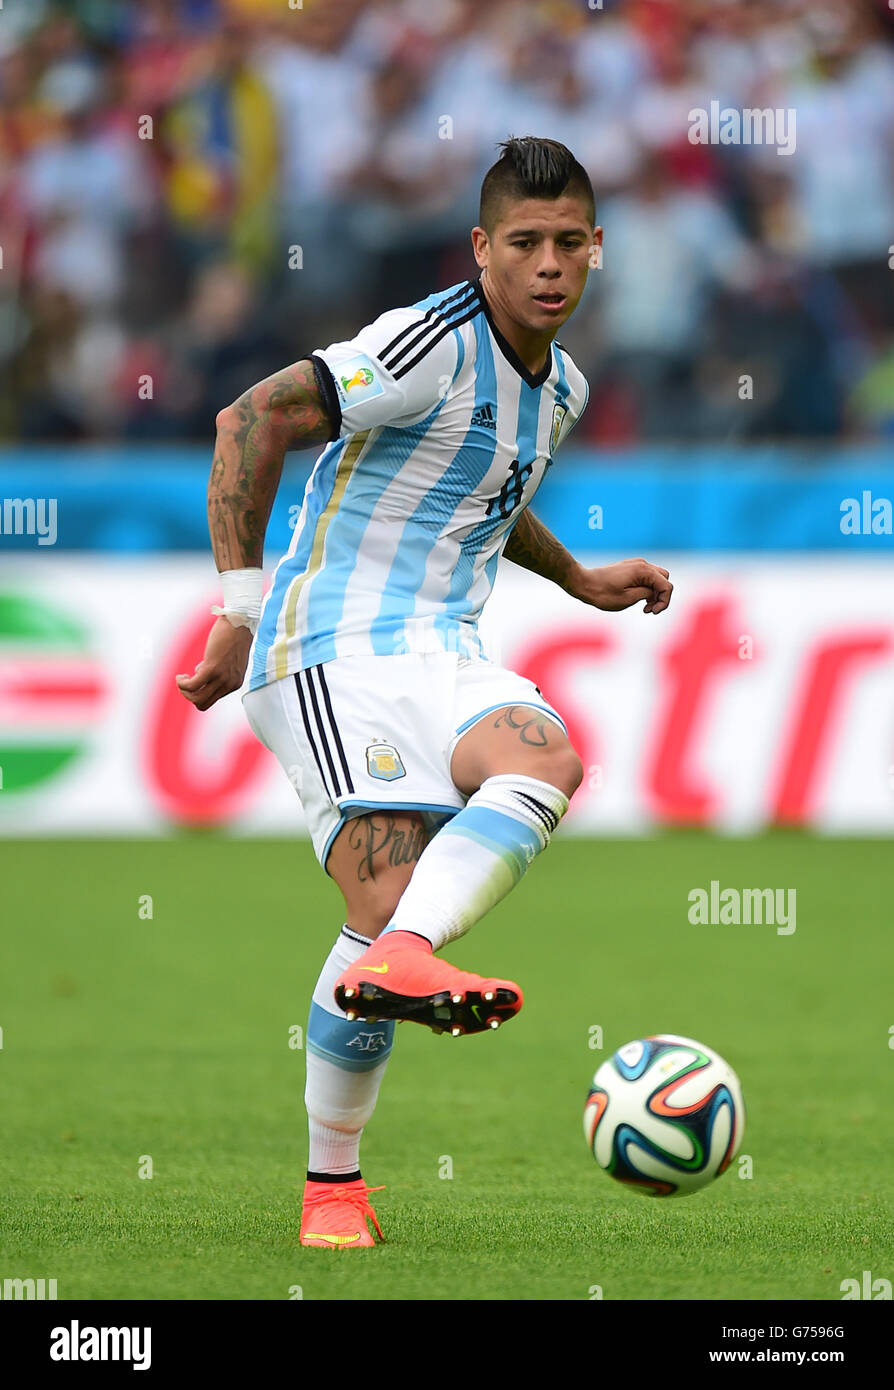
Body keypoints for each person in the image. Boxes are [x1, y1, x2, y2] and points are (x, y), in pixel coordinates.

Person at [177, 137, 673, 1249]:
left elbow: (488, 494)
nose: (548, 264)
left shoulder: (565, 389)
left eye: (567, 243)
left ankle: (402, 964)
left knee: (546, 757)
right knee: (378, 906)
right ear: (481, 250)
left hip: (443, 647)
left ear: (597, 248)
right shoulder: (423, 343)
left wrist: (582, 579)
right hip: (327, 647)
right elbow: (247, 422)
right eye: (524, 243)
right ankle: (333, 1187)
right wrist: (238, 609)